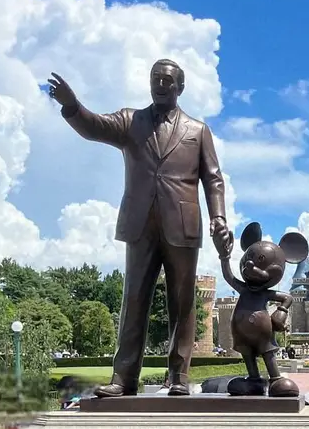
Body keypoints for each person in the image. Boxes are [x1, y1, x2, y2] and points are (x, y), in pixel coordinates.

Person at [48, 60, 232, 397]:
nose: (160, 84)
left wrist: (218, 217)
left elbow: (213, 179)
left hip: (182, 224)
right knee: (133, 300)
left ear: (180, 87)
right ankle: (124, 378)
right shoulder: (130, 121)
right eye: (155, 78)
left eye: (167, 80)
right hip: (139, 224)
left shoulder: (198, 130)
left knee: (183, 304)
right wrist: (73, 106)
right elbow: (94, 127)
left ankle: (178, 377)